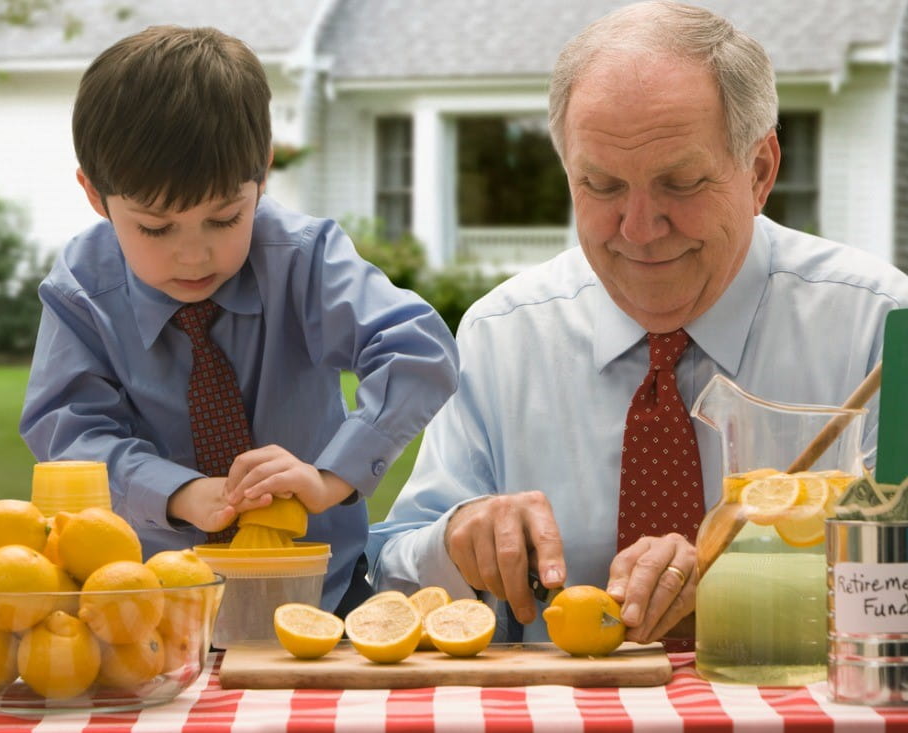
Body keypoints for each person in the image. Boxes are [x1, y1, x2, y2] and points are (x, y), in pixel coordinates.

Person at [368, 0, 908, 644]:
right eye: (601, 185)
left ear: (760, 172)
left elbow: (895, 576)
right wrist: (456, 541)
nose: (640, 229)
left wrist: (739, 577)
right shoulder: (503, 335)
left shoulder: (883, 331)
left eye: (679, 182)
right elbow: (390, 580)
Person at [20, 26, 459, 616]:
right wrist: (177, 493)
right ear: (95, 195)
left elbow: (417, 350)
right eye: (155, 228)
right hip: (146, 607)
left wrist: (331, 475)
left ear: (264, 175)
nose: (194, 254)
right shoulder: (82, 290)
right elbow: (68, 436)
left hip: (324, 600)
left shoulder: (302, 259)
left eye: (226, 218)